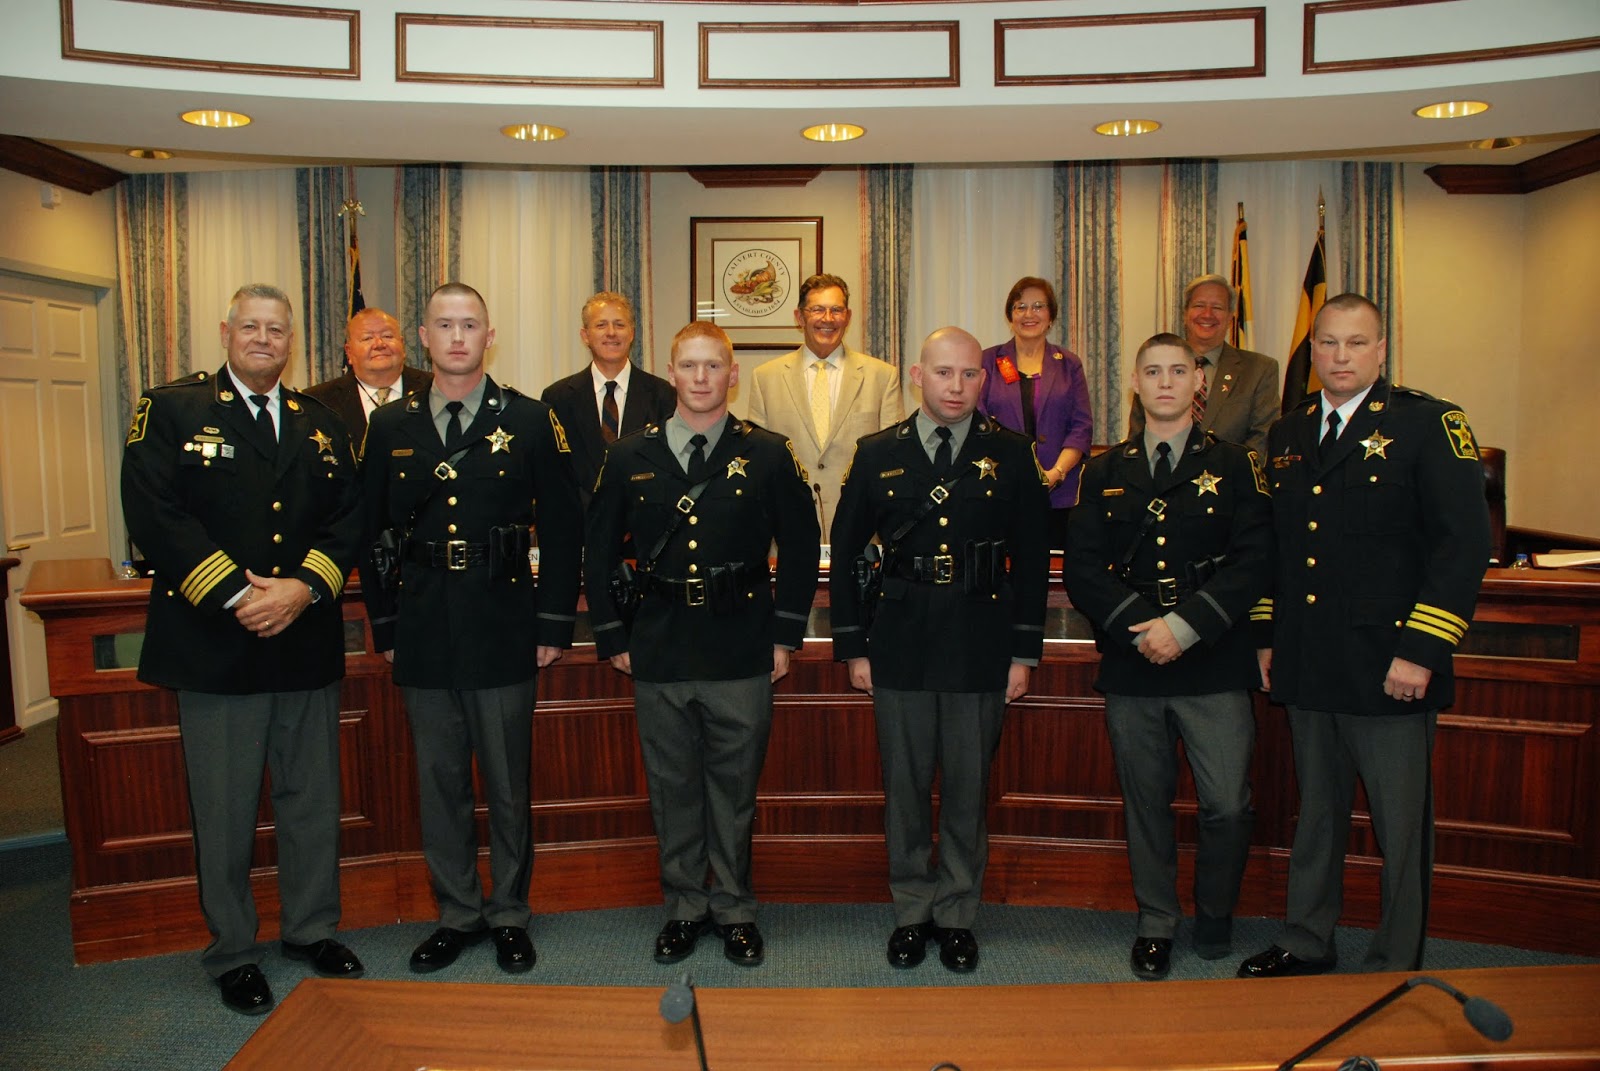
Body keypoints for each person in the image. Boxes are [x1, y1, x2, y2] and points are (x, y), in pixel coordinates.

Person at [121, 283, 364, 1015]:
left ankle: (311, 927)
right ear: (227, 331)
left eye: (277, 330)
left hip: (302, 639)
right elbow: (153, 514)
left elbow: (349, 519)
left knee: (311, 799)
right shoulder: (172, 410)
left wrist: (300, 589)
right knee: (224, 808)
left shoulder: (318, 421)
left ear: (292, 341)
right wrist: (238, 592)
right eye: (251, 326)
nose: (264, 339)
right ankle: (232, 949)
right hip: (215, 641)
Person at [1238, 293, 1492, 978]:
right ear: (1312, 350)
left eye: (1356, 343)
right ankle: (1307, 937)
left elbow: (1462, 545)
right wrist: (1266, 634)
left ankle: (1394, 958)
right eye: (1328, 343)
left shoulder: (1428, 423)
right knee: (1316, 814)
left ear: (1382, 350)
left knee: (1399, 828)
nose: (1340, 356)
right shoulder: (1288, 435)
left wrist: (1422, 649)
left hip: (1391, 665)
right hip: (1311, 660)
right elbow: (1275, 546)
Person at [360, 282, 583, 976]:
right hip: (424, 625)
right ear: (423, 338)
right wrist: (386, 622)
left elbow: (566, 526)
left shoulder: (528, 417)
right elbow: (370, 529)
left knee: (509, 781)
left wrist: (552, 622)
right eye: (444, 325)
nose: (457, 337)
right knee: (441, 780)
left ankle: (510, 911)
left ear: (491, 337)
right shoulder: (392, 425)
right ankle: (456, 910)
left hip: (503, 622)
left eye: (471, 325)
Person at [584, 320, 820, 968]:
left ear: (732, 373)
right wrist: (614, 636)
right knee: (673, 787)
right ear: (671, 370)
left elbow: (800, 548)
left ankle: (736, 908)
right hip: (658, 644)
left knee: (735, 789)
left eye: (713, 366)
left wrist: (785, 636)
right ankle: (686, 906)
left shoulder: (769, 452)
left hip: (742, 643)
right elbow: (599, 550)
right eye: (688, 366)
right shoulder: (631, 454)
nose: (700, 378)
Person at [830, 326, 1049, 973]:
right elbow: (844, 554)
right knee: (903, 785)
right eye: (943, 372)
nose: (956, 386)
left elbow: (1033, 559)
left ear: (983, 380)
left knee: (966, 786)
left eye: (968, 374)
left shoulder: (1011, 454)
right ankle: (911, 909)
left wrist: (1023, 653)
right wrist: (853, 647)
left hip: (981, 639)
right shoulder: (877, 453)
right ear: (917, 374)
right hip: (898, 641)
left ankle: (956, 911)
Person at [1062, 333, 1272, 981]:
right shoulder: (1104, 469)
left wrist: (1185, 625)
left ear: (1197, 383)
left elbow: (1256, 559)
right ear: (1135, 381)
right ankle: (1156, 919)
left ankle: (1214, 913)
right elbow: (1084, 569)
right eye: (1153, 371)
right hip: (1134, 660)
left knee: (1227, 803)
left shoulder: (1236, 465)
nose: (1165, 382)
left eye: (1178, 370)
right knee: (1145, 799)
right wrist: (1139, 625)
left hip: (1211, 654)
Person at [746, 273, 903, 536]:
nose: (828, 319)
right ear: (800, 317)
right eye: (817, 309)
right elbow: (758, 466)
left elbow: (894, 462)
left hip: (862, 530)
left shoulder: (882, 377)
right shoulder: (765, 378)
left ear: (848, 316)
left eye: (836, 310)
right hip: (787, 530)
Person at [980, 276, 1093, 550]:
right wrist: (1008, 473)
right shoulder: (989, 361)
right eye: (1020, 307)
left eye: (1038, 306)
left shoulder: (1068, 364)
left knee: (1052, 578)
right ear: (1010, 316)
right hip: (999, 489)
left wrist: (1056, 473)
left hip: (1058, 494)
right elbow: (978, 422)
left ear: (1051, 315)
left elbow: (1081, 427)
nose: (1029, 314)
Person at [541, 291, 677, 508]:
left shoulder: (664, 394)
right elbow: (554, 476)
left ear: (632, 333)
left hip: (643, 531)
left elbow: (670, 471)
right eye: (601, 325)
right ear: (585, 335)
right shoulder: (558, 398)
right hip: (580, 529)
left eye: (619, 325)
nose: (611, 333)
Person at [1128, 274, 1279, 457]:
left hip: (1230, 481)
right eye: (1199, 306)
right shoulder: (1155, 365)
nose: (1207, 314)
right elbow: (1138, 436)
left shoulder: (1259, 370)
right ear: (1185, 313)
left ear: (1231, 317)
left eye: (1217, 307)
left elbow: (1262, 440)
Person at [304, 307, 432, 440]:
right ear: (349, 352)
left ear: (402, 345)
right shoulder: (317, 402)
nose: (379, 344)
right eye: (367, 338)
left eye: (387, 336)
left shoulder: (433, 388)